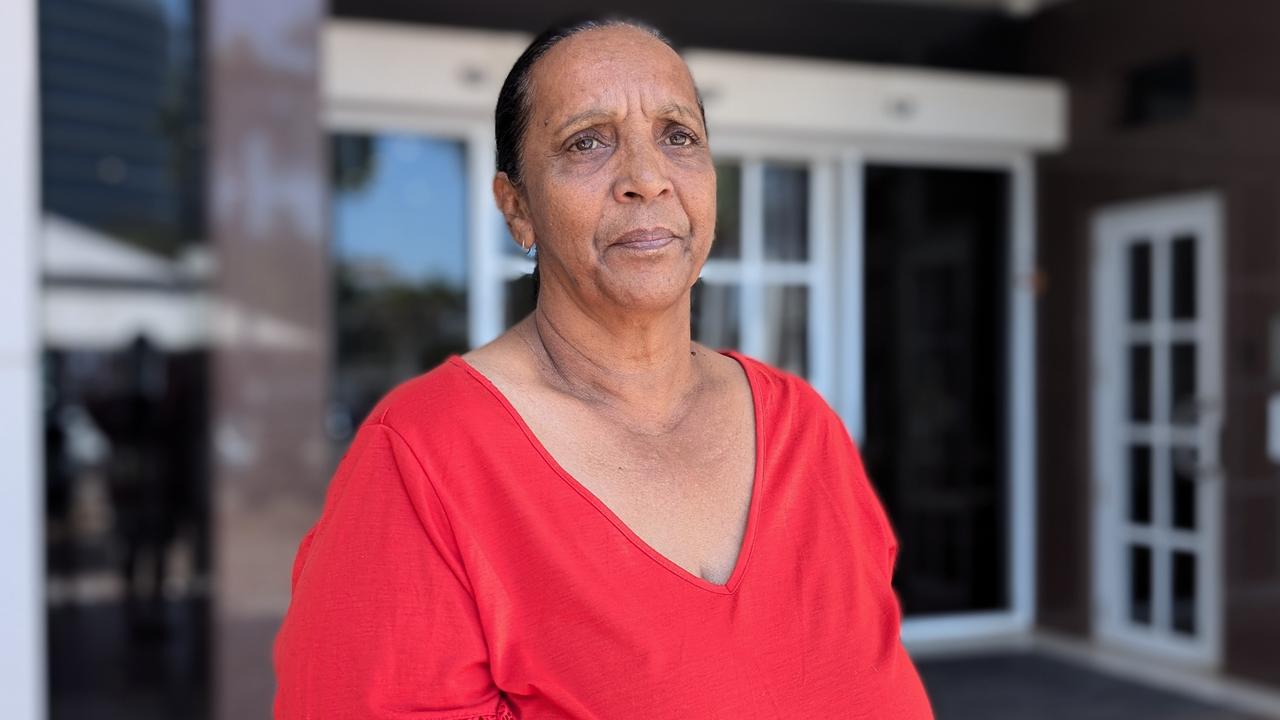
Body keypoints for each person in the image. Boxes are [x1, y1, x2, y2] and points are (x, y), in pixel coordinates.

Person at [273, 17, 935, 719]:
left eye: (678, 136)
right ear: (518, 207)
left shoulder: (805, 428)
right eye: (586, 142)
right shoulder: (422, 456)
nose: (647, 179)